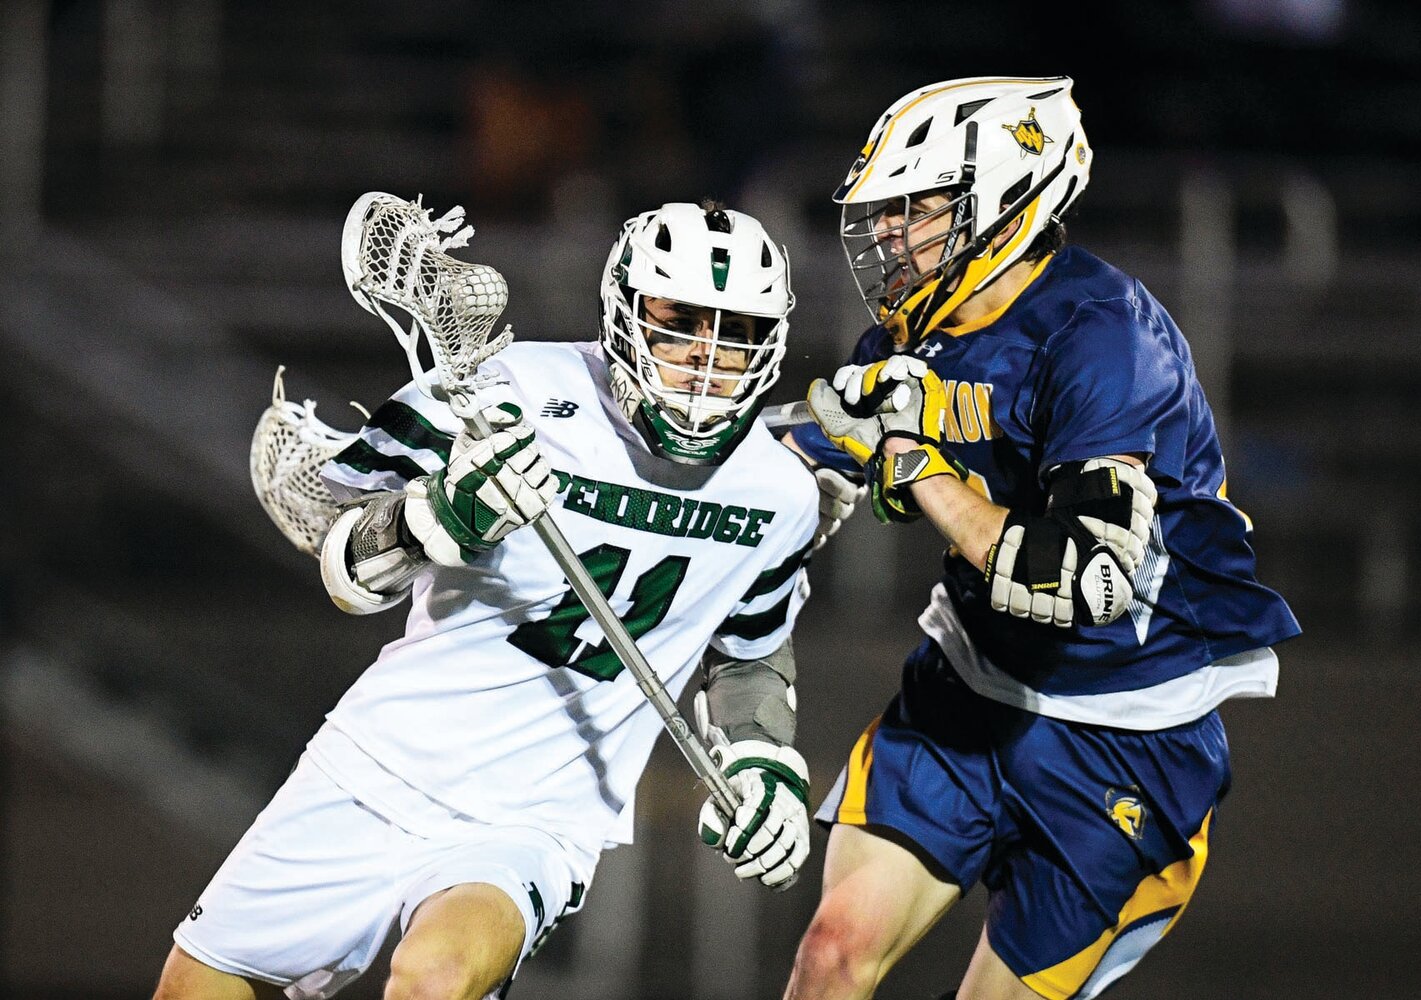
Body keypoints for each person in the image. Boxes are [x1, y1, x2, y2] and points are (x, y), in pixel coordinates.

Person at [154, 200, 822, 1000]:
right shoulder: (504, 394)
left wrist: (763, 760)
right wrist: (433, 518)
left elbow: (750, 649)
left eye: (736, 333)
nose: (706, 360)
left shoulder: (779, 494)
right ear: (623, 314)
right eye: (679, 321)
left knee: (435, 978)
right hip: (378, 762)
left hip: (537, 814)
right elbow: (335, 545)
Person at [779, 76, 1302, 1000]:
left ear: (1009, 200)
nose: (891, 234)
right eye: (888, 210)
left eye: (918, 208)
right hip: (970, 683)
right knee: (831, 954)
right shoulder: (915, 331)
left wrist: (914, 462)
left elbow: (1084, 582)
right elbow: (795, 465)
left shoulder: (1107, 338)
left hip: (1126, 729)